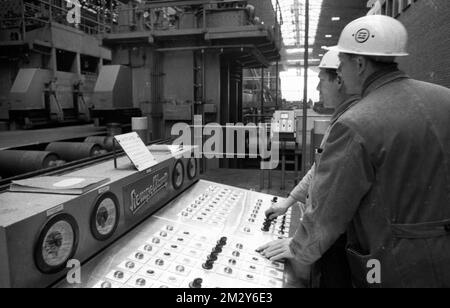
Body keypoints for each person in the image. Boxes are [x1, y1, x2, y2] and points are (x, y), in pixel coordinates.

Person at [258, 15, 450, 288]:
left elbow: (331, 205)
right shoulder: (445, 98)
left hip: (388, 265)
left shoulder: (357, 122)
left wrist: (300, 248)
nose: (340, 73)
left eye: (342, 64)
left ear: (359, 64)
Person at [265, 50, 359, 287]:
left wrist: (299, 244)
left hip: (343, 241)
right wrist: (288, 202)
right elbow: (319, 169)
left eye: (321, 80)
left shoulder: (353, 124)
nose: (317, 89)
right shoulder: (340, 119)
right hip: (330, 237)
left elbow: (333, 197)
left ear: (339, 79)